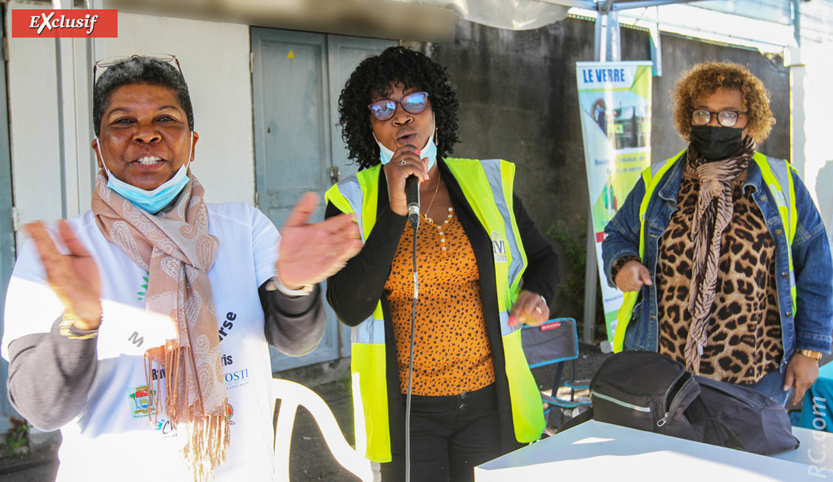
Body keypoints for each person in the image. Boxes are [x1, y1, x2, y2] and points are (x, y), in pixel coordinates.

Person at [0, 55, 362, 481]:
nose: (146, 133)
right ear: (98, 149)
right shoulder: (60, 252)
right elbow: (42, 411)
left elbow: (297, 341)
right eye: (123, 121)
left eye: (166, 119)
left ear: (192, 142)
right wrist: (78, 324)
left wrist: (294, 286)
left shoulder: (243, 228)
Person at [325, 46, 559, 481]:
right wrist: (395, 211)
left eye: (414, 101)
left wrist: (537, 292)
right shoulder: (351, 200)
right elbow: (349, 306)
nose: (401, 117)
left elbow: (544, 258)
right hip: (409, 413)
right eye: (383, 108)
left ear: (436, 110)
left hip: (489, 401)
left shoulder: (486, 181)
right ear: (367, 124)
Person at [602, 61, 833, 407]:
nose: (713, 124)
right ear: (688, 117)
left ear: (750, 120)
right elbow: (617, 234)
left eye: (728, 115)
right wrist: (622, 263)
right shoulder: (659, 181)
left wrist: (810, 351)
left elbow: (817, 267)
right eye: (703, 114)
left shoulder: (781, 183)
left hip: (757, 378)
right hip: (667, 374)